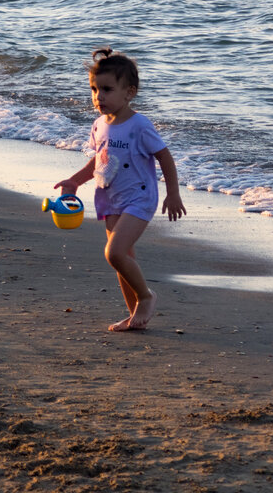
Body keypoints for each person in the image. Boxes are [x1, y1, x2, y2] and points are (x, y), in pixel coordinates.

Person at [54, 48, 185, 332]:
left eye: (107, 90)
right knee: (124, 259)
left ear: (129, 93)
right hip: (110, 197)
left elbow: (165, 156)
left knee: (114, 253)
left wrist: (173, 194)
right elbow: (99, 160)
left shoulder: (139, 125)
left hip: (139, 197)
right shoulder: (99, 125)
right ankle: (134, 315)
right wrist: (75, 181)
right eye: (94, 89)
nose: (98, 97)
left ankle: (146, 296)